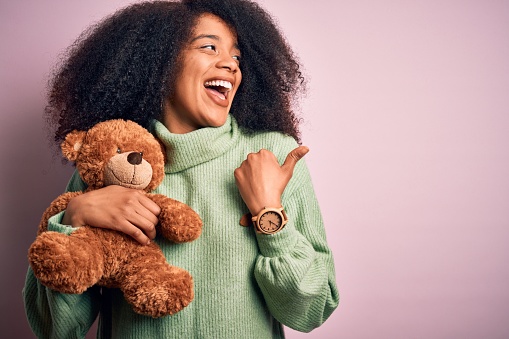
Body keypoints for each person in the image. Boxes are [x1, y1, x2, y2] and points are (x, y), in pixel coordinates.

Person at [23, 0, 339, 338]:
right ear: (161, 59)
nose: (230, 65)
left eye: (236, 56)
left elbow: (312, 310)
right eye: (209, 47)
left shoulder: (272, 155)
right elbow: (53, 329)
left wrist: (269, 217)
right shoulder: (111, 162)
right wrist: (74, 219)